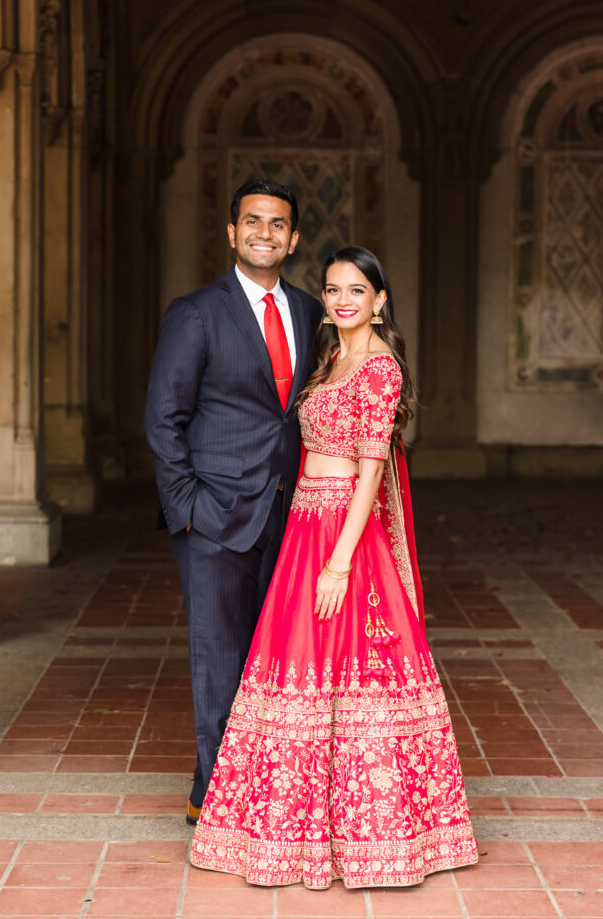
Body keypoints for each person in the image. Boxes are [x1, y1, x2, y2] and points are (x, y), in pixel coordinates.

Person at [189, 246, 478, 889]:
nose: (343, 300)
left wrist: (341, 563)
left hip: (346, 533)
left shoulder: (378, 369)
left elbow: (373, 470)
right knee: (299, 672)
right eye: (333, 290)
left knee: (352, 675)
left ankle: (371, 836)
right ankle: (295, 832)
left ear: (379, 300)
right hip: (305, 527)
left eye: (357, 290)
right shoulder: (330, 359)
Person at [144, 180, 323, 824]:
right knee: (218, 656)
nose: (265, 234)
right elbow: (163, 418)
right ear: (231, 233)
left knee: (266, 656)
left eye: (278, 225)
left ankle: (209, 785)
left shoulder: (307, 312)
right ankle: (226, 807)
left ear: (294, 239)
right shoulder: (196, 313)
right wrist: (187, 506)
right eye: (253, 222)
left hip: (287, 512)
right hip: (213, 514)